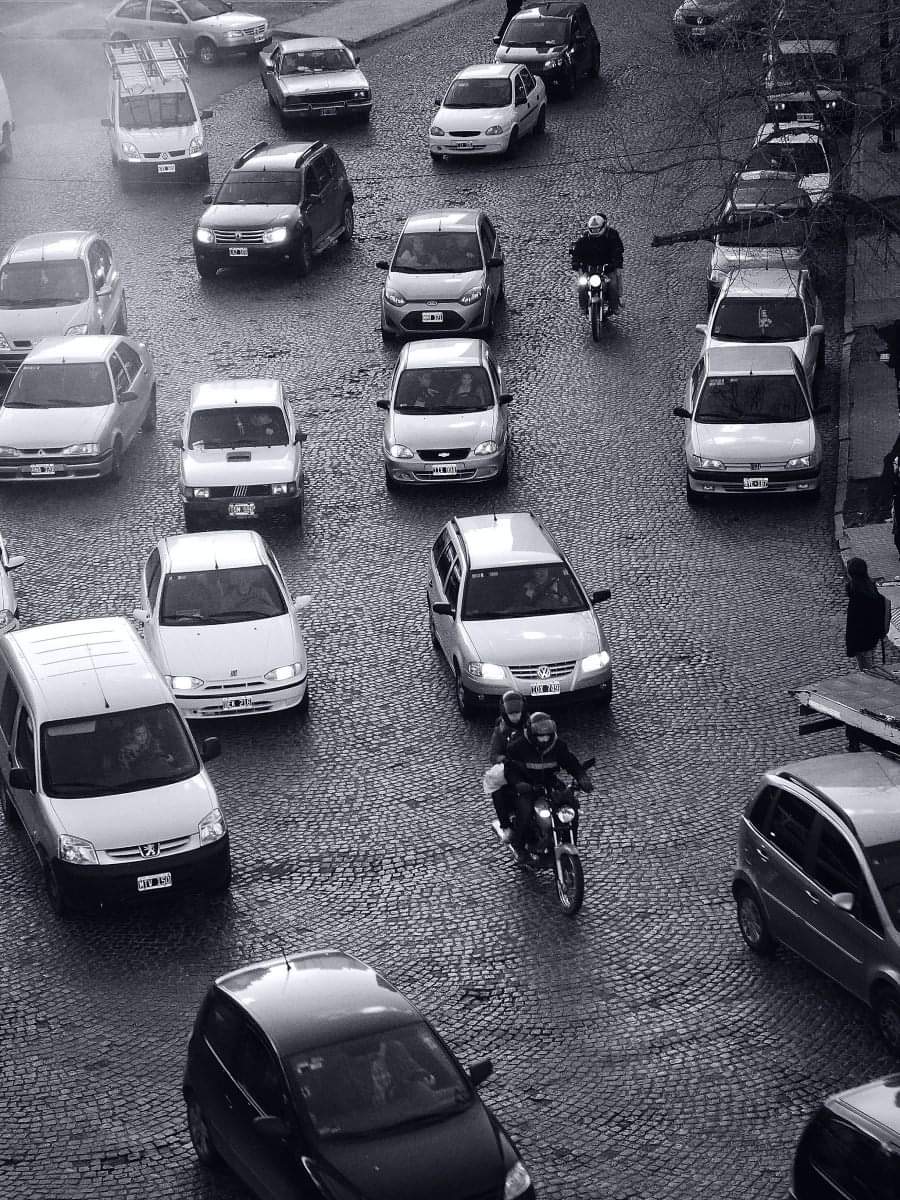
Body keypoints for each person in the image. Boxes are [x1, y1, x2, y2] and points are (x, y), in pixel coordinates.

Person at [504, 712, 593, 856]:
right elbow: (510, 769)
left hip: (549, 782)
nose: (544, 739)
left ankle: (569, 841)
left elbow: (569, 761)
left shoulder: (557, 745)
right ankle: (519, 846)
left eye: (547, 736)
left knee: (571, 807)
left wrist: (581, 776)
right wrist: (518, 783)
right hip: (527, 785)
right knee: (525, 811)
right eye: (540, 736)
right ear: (533, 735)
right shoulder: (518, 747)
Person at [488, 690, 527, 841]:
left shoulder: (530, 725)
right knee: (496, 788)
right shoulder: (501, 731)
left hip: (530, 765)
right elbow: (493, 755)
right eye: (512, 713)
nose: (515, 717)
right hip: (511, 768)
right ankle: (506, 826)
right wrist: (505, 759)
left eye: (518, 713)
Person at [571, 214, 625, 315]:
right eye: (593, 229)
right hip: (589, 269)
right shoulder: (584, 239)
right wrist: (576, 265)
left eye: (597, 229)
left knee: (613, 285)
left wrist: (616, 265)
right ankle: (582, 306)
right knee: (581, 285)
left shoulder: (611, 236)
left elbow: (617, 251)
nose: (595, 231)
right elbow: (576, 253)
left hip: (607, 269)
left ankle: (614, 306)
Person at [845, 557, 889, 671]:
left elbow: (853, 622)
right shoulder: (871, 588)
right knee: (869, 661)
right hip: (872, 636)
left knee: (866, 668)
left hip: (860, 638)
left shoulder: (855, 593)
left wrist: (850, 646)